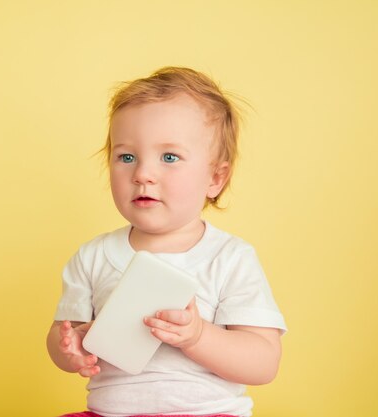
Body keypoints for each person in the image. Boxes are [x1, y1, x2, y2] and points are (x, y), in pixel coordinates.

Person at [46, 67, 287, 417]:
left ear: (215, 178)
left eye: (169, 157)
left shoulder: (230, 258)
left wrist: (198, 336)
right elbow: (58, 336)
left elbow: (264, 362)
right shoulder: (93, 256)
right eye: (126, 156)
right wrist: (72, 347)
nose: (142, 174)